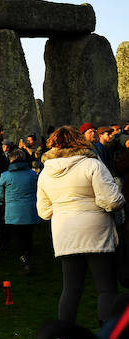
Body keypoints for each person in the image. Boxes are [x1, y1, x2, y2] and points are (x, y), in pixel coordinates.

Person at [37, 126, 125, 325]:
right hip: (96, 229)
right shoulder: (92, 165)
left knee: (71, 288)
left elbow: (43, 211)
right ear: (79, 141)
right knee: (106, 287)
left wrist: (62, 208)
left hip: (64, 231)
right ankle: (107, 336)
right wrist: (118, 198)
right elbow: (111, 201)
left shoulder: (45, 173)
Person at [0, 149, 43, 274]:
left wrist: (3, 204)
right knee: (28, 236)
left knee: (18, 237)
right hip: (30, 210)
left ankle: (25, 260)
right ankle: (28, 257)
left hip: (13, 211)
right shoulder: (33, 174)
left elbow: (0, 195)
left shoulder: (5, 175)